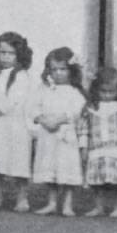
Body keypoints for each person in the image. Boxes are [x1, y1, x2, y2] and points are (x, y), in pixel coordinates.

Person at [29, 47, 86, 216]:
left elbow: (77, 110)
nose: (58, 73)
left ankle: (67, 204)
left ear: (71, 70)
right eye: (54, 69)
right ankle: (52, 202)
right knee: (50, 168)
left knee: (66, 169)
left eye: (63, 69)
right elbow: (33, 106)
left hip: (65, 136)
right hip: (48, 134)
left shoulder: (75, 91)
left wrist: (59, 119)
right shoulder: (45, 89)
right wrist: (42, 119)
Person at [0, 32, 35, 212]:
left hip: (16, 124)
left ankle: (22, 198)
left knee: (18, 162)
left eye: (10, 53)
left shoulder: (21, 75)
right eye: (2, 53)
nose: (6, 57)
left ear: (18, 55)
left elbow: (14, 99)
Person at [77, 66, 117, 218]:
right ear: (96, 90)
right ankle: (98, 206)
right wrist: (83, 147)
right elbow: (84, 128)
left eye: (112, 92)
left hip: (116, 148)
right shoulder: (90, 108)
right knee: (97, 181)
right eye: (103, 92)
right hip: (96, 148)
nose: (107, 95)